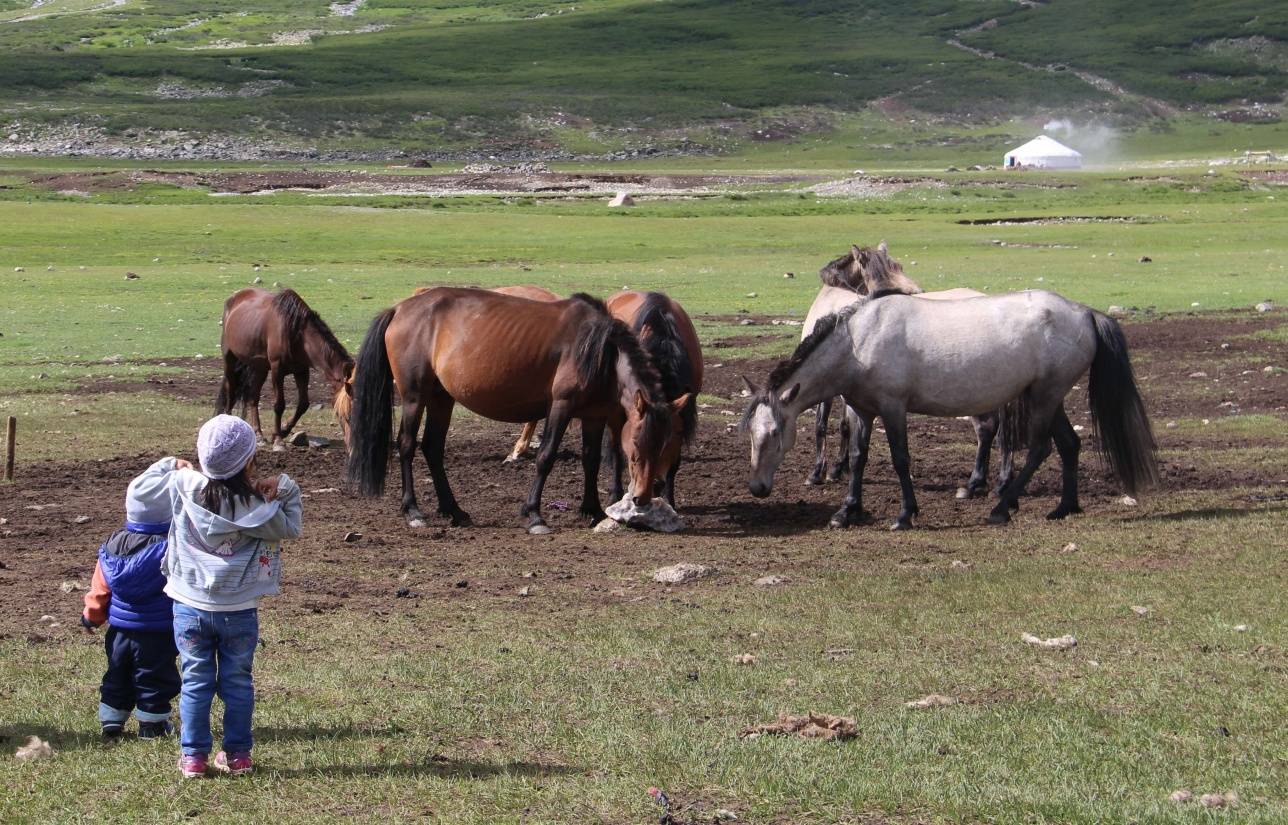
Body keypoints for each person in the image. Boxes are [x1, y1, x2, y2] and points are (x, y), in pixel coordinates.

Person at [163, 414, 302, 779]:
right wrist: (283, 486)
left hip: (189, 606)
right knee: (238, 681)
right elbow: (292, 525)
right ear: (249, 462)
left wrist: (170, 464)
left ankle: (193, 757)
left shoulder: (182, 487)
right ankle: (238, 755)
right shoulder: (260, 509)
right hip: (239, 610)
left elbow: (147, 486)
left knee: (195, 679)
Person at [81, 458, 187, 739]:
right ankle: (152, 725)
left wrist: (92, 615)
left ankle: (111, 721)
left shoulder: (112, 544)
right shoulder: (171, 548)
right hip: (158, 631)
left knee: (117, 672)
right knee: (154, 676)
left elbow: (100, 586)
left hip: (118, 631)